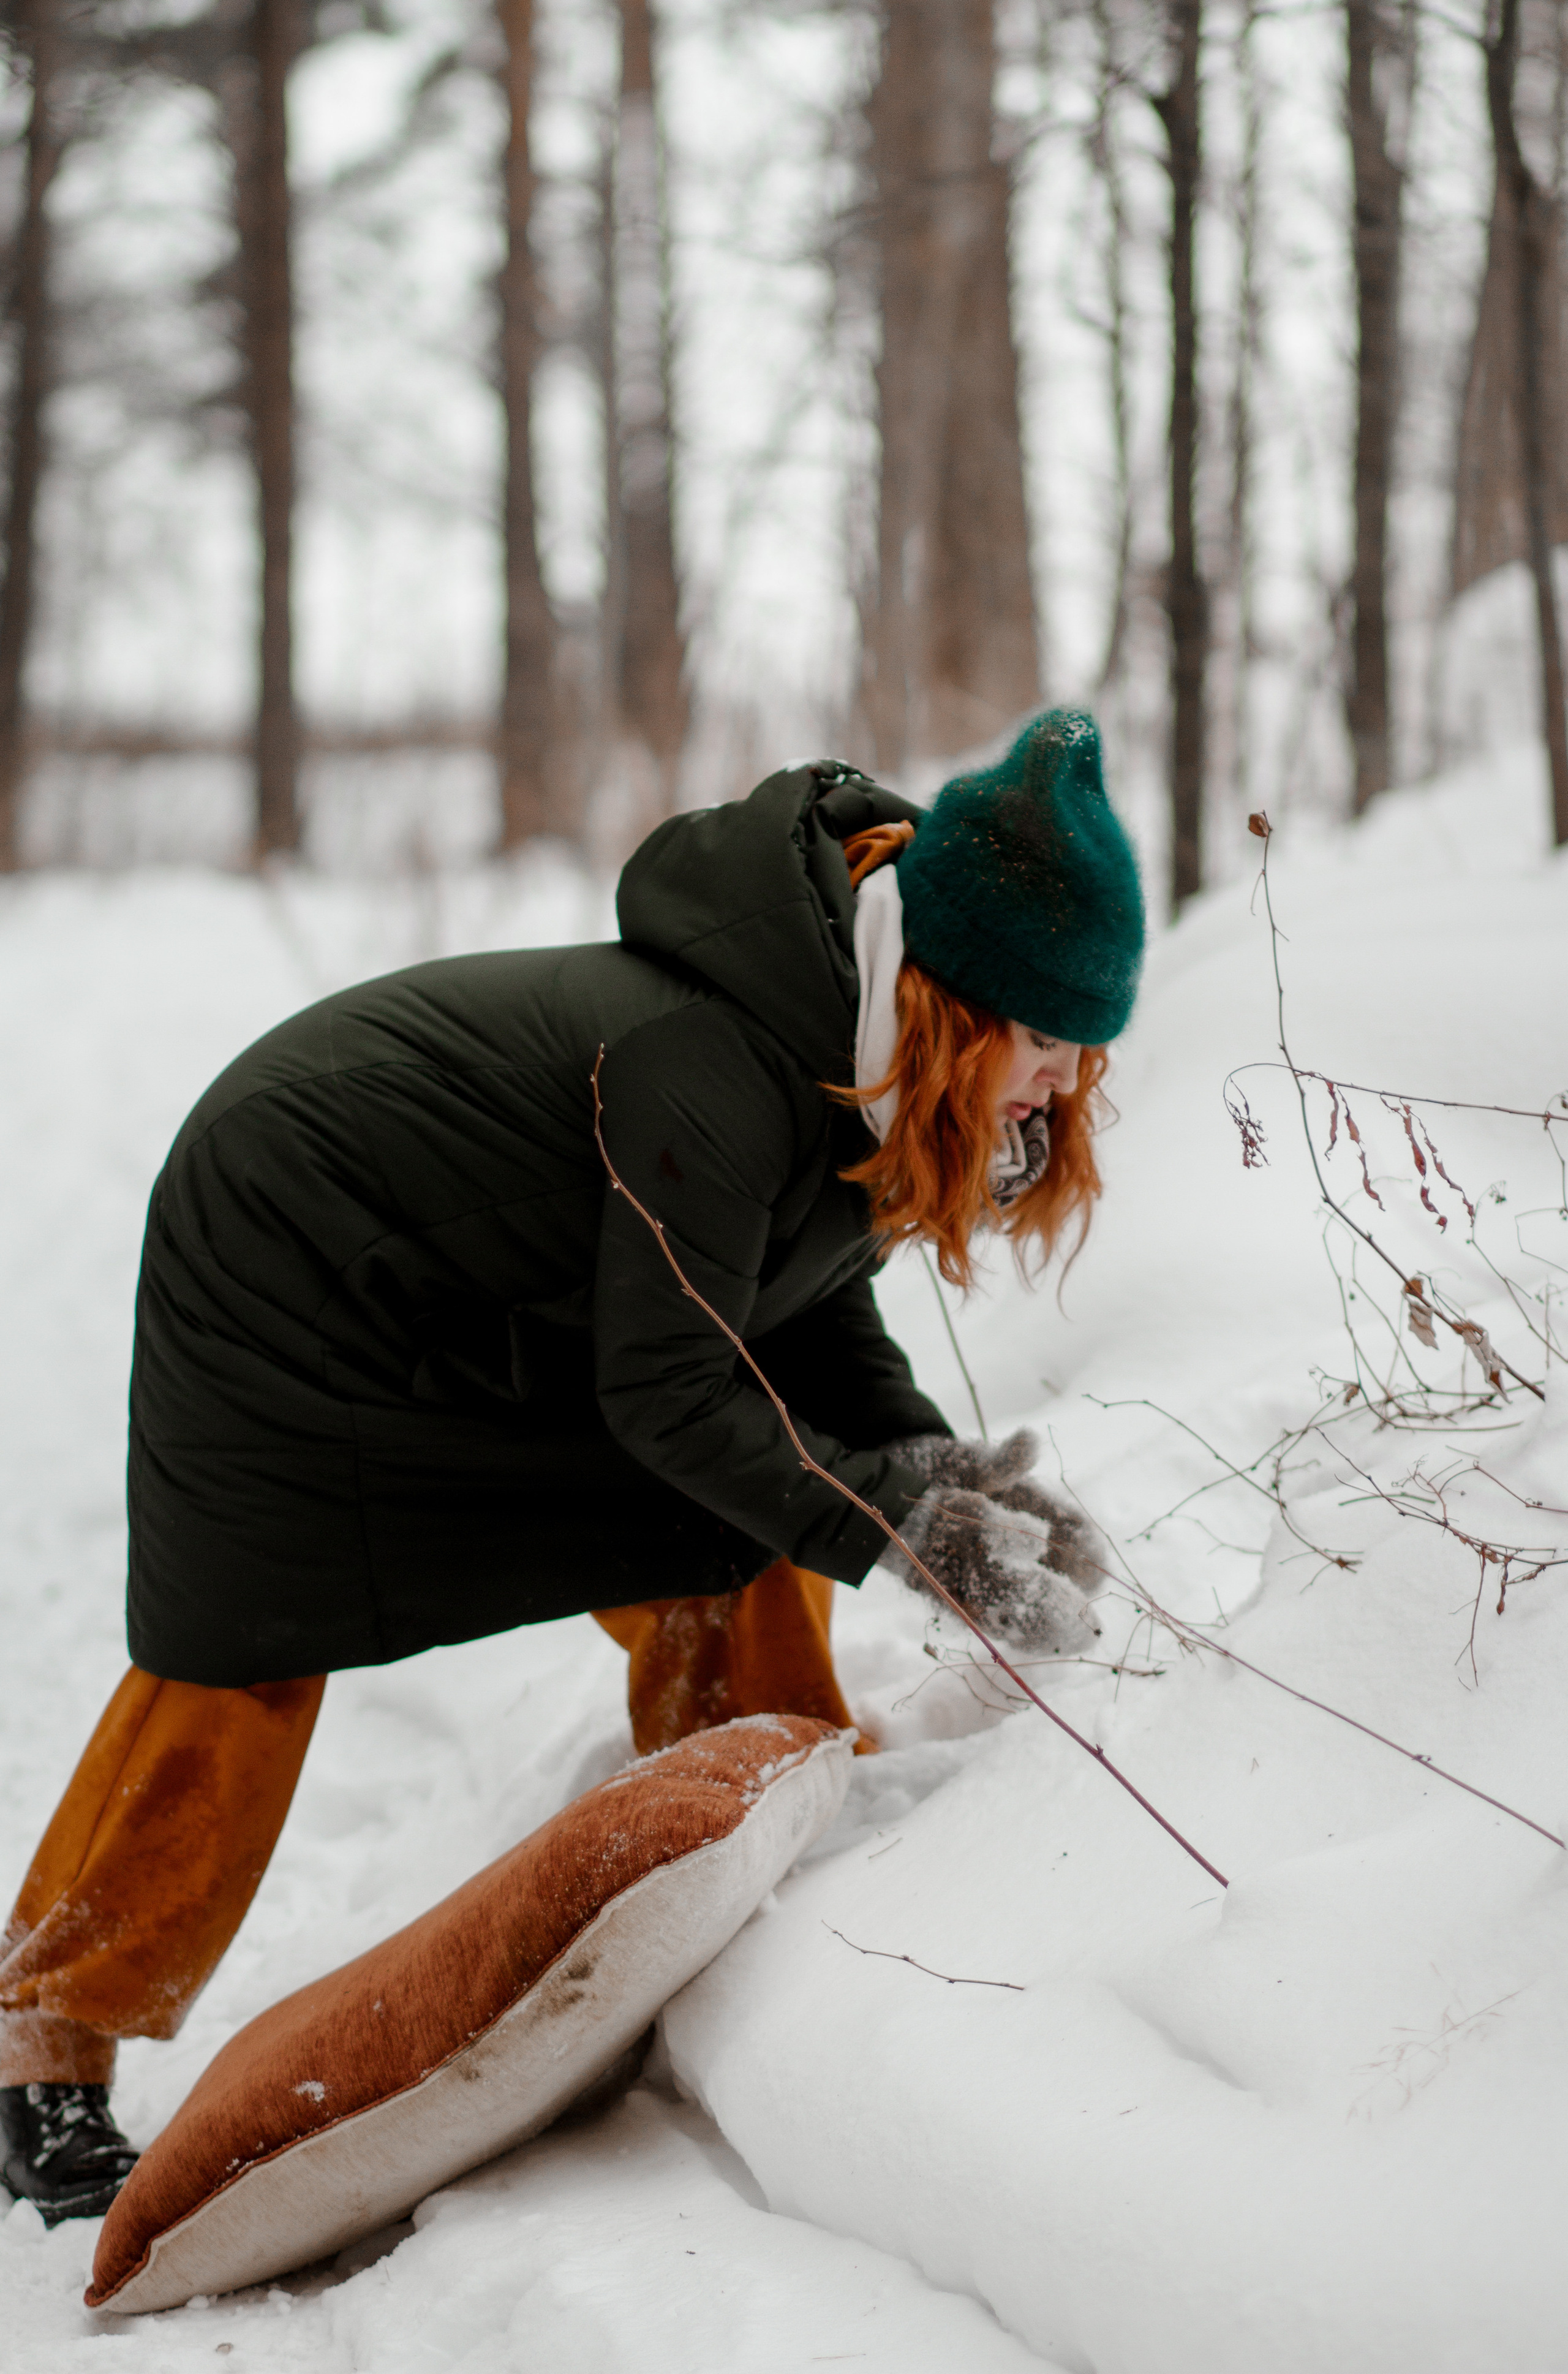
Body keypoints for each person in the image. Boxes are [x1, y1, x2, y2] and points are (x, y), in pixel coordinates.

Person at [0, 707, 1144, 2224]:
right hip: (293, 1240)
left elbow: (803, 1302)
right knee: (250, 1634)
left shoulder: (849, 1041)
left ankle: (775, 1862)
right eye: (1050, 1043)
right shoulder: (723, 1063)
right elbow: (676, 1391)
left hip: (486, 1279)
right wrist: (900, 1534)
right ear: (959, 1004)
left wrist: (935, 1470)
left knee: (714, 1525)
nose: (1061, 1087)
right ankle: (41, 2047)